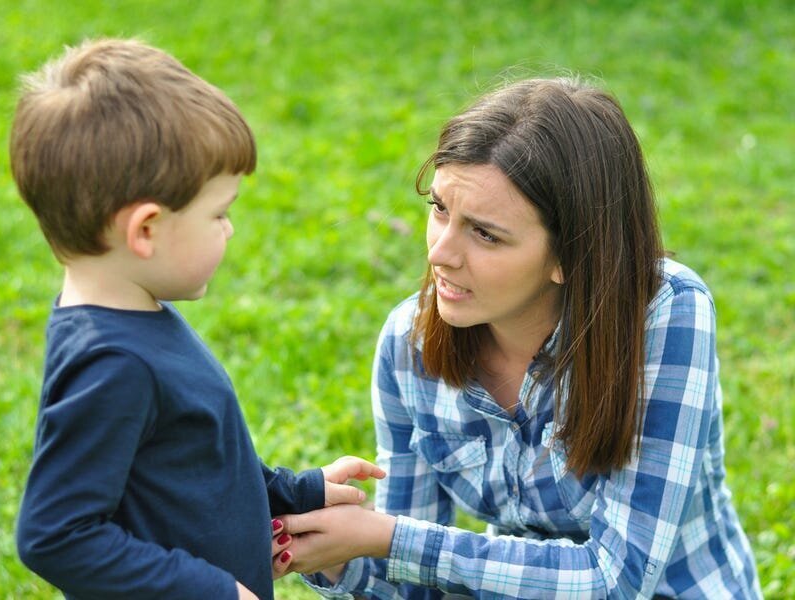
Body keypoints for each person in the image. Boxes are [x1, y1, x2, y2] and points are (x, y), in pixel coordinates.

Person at [277, 77, 763, 598]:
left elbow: (614, 579)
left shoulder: (664, 314)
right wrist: (331, 554)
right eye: (440, 209)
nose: (440, 252)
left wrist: (388, 539)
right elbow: (411, 585)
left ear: (570, 255)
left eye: (485, 233)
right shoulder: (409, 343)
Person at [11, 38, 385, 600]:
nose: (230, 229)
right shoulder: (113, 364)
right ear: (146, 230)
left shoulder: (135, 313)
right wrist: (208, 589)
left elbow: (193, 460)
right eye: (219, 213)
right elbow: (55, 535)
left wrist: (296, 491)